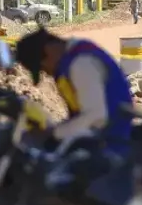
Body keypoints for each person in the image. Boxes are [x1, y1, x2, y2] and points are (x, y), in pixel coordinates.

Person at [14, 28, 135, 159]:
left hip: (110, 149)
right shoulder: (76, 55)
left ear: (49, 50)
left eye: (43, 67)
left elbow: (96, 115)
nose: (47, 73)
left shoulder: (81, 63)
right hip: (98, 141)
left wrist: (55, 133)